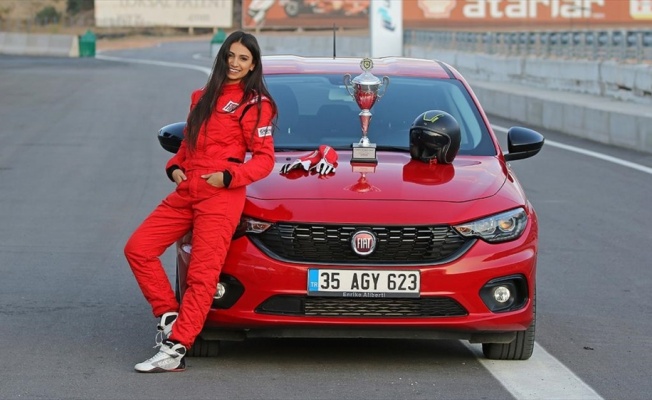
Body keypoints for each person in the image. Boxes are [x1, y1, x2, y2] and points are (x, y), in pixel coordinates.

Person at [124, 30, 277, 373]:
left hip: (220, 196)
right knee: (138, 248)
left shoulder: (256, 105)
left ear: (253, 65)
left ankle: (176, 347)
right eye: (231, 56)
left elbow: (264, 159)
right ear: (223, 57)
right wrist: (175, 166)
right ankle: (169, 314)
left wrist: (228, 177)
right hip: (187, 189)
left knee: (202, 274)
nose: (235, 63)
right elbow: (187, 144)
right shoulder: (202, 97)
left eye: (243, 58)